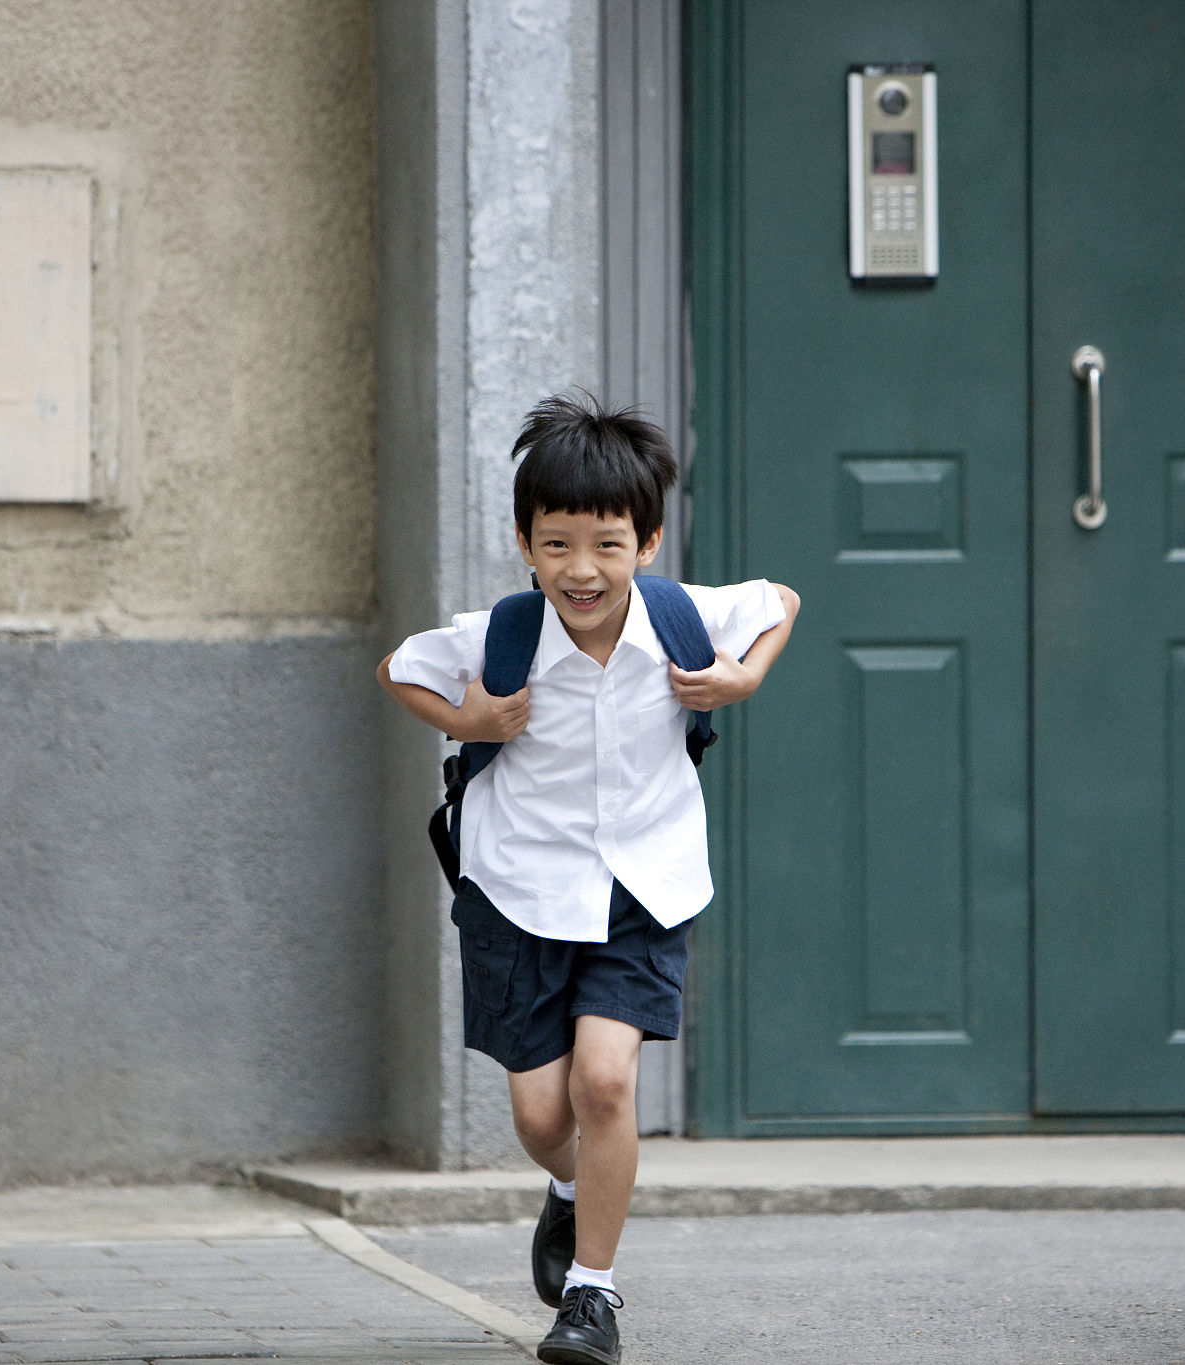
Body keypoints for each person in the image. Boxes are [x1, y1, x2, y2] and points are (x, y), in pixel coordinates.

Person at [378, 393, 799, 1365]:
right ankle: (567, 1191)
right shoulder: (502, 636)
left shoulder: (683, 619)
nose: (581, 569)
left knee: (604, 1084)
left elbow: (779, 602)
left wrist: (742, 678)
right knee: (539, 1114)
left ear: (645, 542)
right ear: (524, 543)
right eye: (556, 543)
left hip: (643, 887)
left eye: (606, 544)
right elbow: (398, 668)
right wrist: (475, 720)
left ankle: (590, 1296)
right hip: (519, 889)